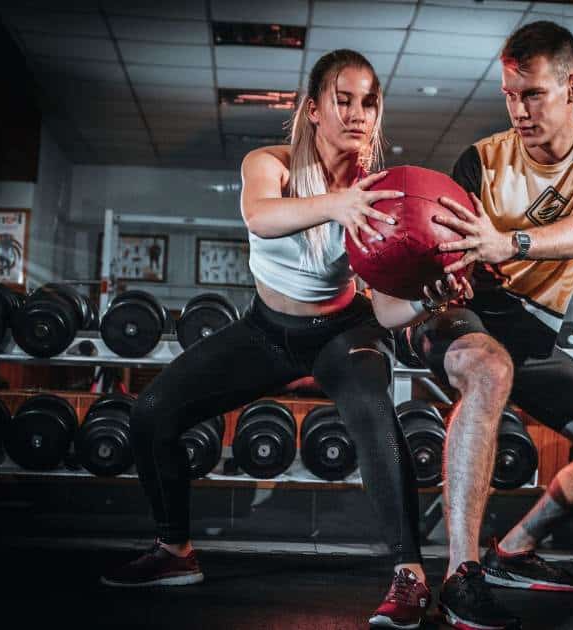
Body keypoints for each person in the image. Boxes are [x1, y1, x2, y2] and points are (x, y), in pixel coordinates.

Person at [100, 49, 434, 630]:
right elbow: (260, 216)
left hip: (341, 330)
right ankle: (175, 552)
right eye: (344, 99)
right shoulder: (270, 165)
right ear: (312, 109)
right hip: (266, 331)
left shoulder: (378, 193)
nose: (359, 113)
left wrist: (433, 295)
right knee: (152, 410)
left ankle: (411, 576)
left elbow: (384, 305)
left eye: (370, 102)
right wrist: (339, 204)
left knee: (375, 414)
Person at [371, 21, 573, 630]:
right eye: (509, 95)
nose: (518, 110)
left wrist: (510, 242)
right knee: (489, 368)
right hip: (460, 316)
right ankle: (461, 577)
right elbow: (447, 250)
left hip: (529, 331)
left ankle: (513, 551)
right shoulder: (482, 159)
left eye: (534, 95)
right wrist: (442, 276)